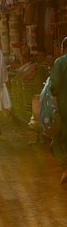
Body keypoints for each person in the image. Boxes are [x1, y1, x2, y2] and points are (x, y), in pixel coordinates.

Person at [48, 37, 67, 184]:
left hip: (64, 105)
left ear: (63, 48)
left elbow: (54, 86)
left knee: (61, 137)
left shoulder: (60, 62)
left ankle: (65, 169)